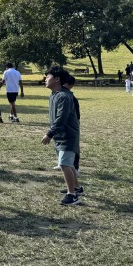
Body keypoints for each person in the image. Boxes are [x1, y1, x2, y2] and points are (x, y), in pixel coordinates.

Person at [40, 66, 81, 205]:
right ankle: (76, 187)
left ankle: (72, 195)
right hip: (61, 135)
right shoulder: (55, 94)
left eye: (48, 77)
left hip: (67, 136)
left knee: (64, 164)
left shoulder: (64, 96)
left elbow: (61, 118)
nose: (45, 79)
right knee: (68, 164)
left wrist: (50, 133)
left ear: (57, 79)